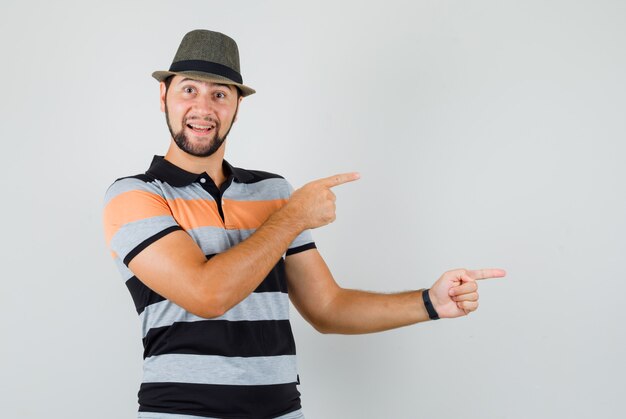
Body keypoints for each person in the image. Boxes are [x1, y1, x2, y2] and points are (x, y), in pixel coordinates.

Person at [103, 29, 506, 419]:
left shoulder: (272, 192)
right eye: (189, 89)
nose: (204, 108)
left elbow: (327, 307)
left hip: (281, 411)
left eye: (220, 94)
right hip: (182, 412)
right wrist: (293, 216)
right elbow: (207, 295)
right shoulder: (135, 195)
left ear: (238, 106)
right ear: (164, 96)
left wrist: (429, 303)